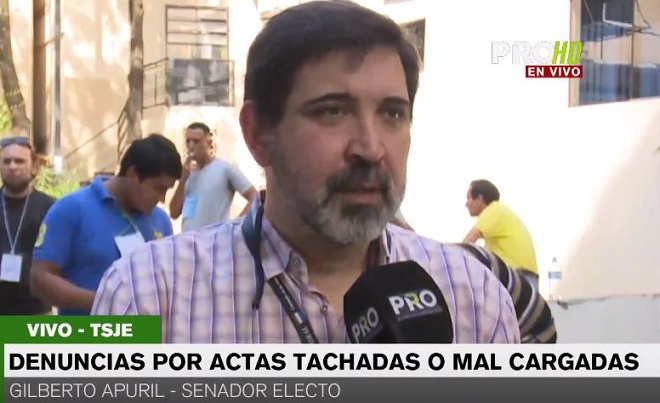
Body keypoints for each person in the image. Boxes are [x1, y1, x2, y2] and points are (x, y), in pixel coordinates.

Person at [92, 0, 520, 343]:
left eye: (392, 113)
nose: (371, 148)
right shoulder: (146, 295)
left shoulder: (474, 298)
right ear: (259, 134)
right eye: (333, 111)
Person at [31, 134, 182, 315]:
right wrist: (105, 303)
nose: (162, 199)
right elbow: (40, 278)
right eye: (159, 188)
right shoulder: (71, 209)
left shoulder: (161, 221)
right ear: (133, 174)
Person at [0, 137, 54, 315]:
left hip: (36, 309)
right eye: (6, 161)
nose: (12, 166)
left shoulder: (51, 207)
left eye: (19, 161)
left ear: (34, 167)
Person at [169, 122, 257, 231]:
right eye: (188, 141)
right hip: (188, 238)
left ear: (209, 143)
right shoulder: (188, 173)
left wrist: (234, 227)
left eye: (196, 141)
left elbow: (254, 198)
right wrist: (182, 181)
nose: (191, 146)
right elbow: (174, 213)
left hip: (214, 238)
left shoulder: (224, 168)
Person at [463, 179, 539, 289]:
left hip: (518, 278)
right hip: (525, 278)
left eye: (469, 198)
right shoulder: (500, 213)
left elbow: (466, 245)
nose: (466, 204)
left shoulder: (493, 210)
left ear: (480, 198)